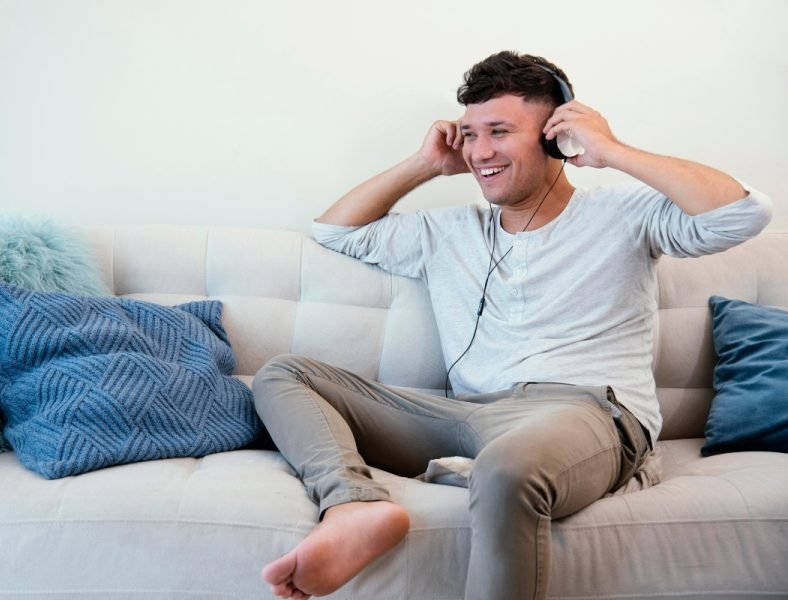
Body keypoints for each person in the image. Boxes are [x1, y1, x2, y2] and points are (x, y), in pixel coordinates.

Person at [252, 50, 772, 600]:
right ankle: (353, 507)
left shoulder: (626, 216)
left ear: (555, 138)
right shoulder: (447, 232)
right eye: (470, 134)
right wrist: (424, 166)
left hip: (586, 412)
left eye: (499, 131)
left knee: (505, 468)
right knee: (286, 373)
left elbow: (742, 213)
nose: (479, 152)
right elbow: (335, 232)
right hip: (473, 414)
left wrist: (612, 151)